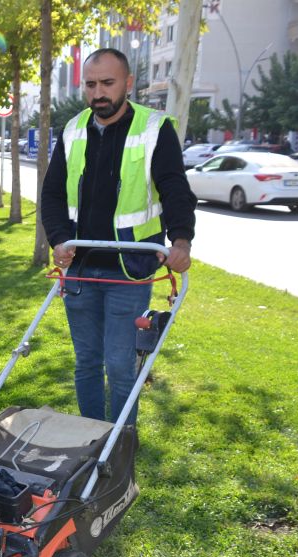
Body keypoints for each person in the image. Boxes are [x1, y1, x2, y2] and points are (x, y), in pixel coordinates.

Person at [40, 48, 196, 426]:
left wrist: (181, 240)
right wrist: (59, 239)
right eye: (91, 85)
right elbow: (53, 194)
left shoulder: (154, 128)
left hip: (129, 269)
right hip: (80, 268)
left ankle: (121, 442)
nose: (99, 94)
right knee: (87, 362)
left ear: (128, 83)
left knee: (120, 365)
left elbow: (174, 188)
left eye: (107, 83)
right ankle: (90, 440)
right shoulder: (73, 129)